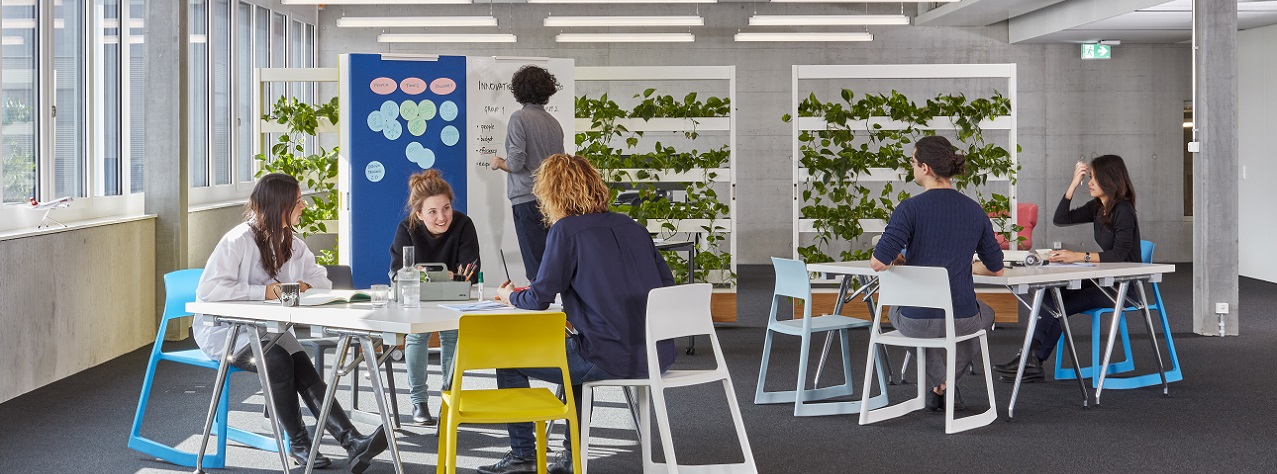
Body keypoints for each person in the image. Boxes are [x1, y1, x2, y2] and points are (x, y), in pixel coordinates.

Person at [481, 154, 676, 474]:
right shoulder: (632, 227)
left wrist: (508, 295)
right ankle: (573, 455)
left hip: (609, 357)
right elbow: (665, 285)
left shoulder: (566, 231)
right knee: (573, 346)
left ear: (550, 193)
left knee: (507, 356)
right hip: (656, 354)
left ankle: (522, 454)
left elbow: (538, 299)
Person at [193, 173, 387, 473]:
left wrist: (304, 285)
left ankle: (352, 442)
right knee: (279, 360)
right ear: (278, 206)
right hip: (226, 332)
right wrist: (265, 292)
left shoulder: (292, 242)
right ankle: (299, 442)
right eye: (297, 201)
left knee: (301, 363)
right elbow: (209, 290)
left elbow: (321, 280)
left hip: (268, 330)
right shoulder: (236, 241)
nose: (304, 205)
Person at [870, 136, 1005, 411]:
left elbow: (878, 262)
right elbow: (997, 267)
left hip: (917, 320)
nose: (912, 167)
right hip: (962, 318)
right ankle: (946, 383)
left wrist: (899, 258)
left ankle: (940, 381)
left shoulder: (909, 209)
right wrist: (968, 264)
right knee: (985, 315)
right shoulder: (975, 211)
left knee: (901, 315)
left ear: (926, 168)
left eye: (913, 162)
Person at [993, 154, 1141, 383]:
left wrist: (1078, 256)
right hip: (1104, 282)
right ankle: (1031, 359)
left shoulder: (1124, 210)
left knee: (1057, 302)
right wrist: (1073, 183)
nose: (1090, 182)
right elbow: (1061, 218)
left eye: (1095, 178)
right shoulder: (1098, 207)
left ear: (1110, 180)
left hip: (1123, 288)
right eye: (1089, 177)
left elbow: (1120, 255)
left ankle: (1031, 360)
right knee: (1053, 295)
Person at [388, 169, 479, 427]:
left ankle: (450, 398)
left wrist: (425, 274)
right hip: (418, 299)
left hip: (455, 298)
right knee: (417, 336)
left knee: (452, 334)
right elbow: (397, 273)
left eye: (446, 208)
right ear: (418, 214)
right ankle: (419, 402)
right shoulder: (406, 228)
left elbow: (470, 271)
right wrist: (445, 275)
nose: (442, 217)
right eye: (432, 212)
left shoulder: (463, 224)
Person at [488, 65, 564, 282]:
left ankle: (538, 309)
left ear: (519, 90)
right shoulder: (554, 124)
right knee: (552, 261)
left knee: (535, 266)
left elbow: (516, 162)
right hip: (551, 200)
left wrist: (498, 163)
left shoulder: (519, 118)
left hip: (526, 198)